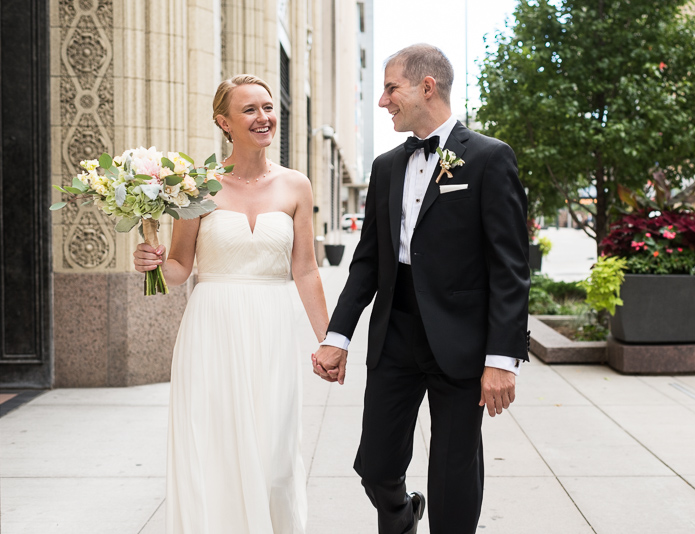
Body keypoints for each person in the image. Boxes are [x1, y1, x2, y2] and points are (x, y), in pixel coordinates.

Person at [313, 44, 530, 534]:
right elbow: (367, 260)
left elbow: (511, 267)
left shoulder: (490, 159)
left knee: (454, 473)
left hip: (461, 340)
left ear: (426, 87)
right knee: (375, 464)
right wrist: (337, 336)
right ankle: (403, 514)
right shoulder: (387, 166)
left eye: (392, 89)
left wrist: (501, 360)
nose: (384, 100)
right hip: (396, 330)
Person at [133, 74, 329, 534]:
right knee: (215, 452)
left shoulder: (297, 185)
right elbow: (181, 266)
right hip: (212, 329)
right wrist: (152, 263)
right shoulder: (197, 187)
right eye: (249, 110)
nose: (263, 117)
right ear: (224, 122)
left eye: (267, 107)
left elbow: (306, 269)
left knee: (276, 456)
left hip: (273, 328)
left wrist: (330, 339)